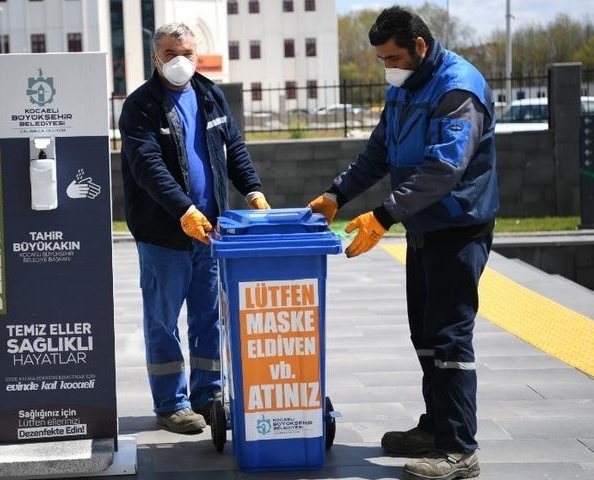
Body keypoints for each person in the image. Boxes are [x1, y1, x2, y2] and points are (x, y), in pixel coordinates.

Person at [308, 6, 497, 480]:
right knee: (427, 334)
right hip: (424, 227)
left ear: (420, 46)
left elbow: (444, 168)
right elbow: (380, 150)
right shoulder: (406, 88)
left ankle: (459, 450)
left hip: (458, 227)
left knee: (451, 339)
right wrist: (338, 194)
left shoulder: (458, 89)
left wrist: (385, 215)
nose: (387, 67)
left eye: (393, 57)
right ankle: (436, 428)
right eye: (380, 60)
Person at [119, 23, 270, 434]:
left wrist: (253, 190)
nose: (180, 61)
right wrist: (182, 209)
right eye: (171, 53)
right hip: (164, 234)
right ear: (156, 58)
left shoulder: (209, 94)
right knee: (162, 320)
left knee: (209, 317)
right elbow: (147, 166)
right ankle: (171, 403)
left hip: (210, 232)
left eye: (187, 52)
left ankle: (208, 394)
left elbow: (234, 147)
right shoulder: (140, 106)